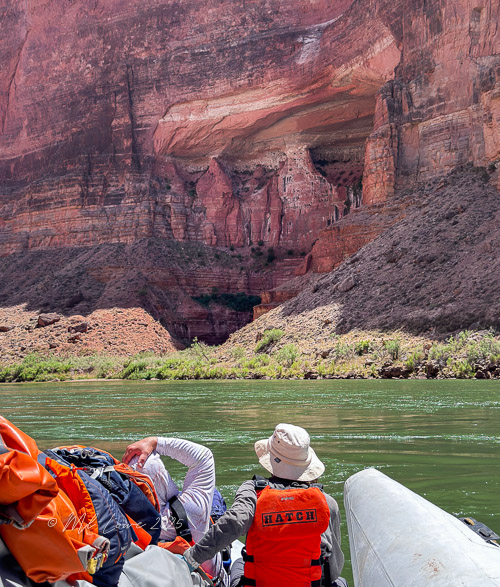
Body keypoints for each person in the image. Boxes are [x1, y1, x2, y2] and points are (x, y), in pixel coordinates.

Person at [182, 423, 345, 587]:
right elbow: (335, 568)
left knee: (238, 563)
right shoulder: (326, 503)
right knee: (340, 581)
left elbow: (233, 522)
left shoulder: (252, 492)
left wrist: (191, 558)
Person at [122, 435, 227, 583]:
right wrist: (155, 442)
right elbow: (204, 456)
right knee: (215, 496)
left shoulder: (127, 523)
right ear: (163, 476)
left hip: (162, 578)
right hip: (210, 579)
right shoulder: (192, 505)